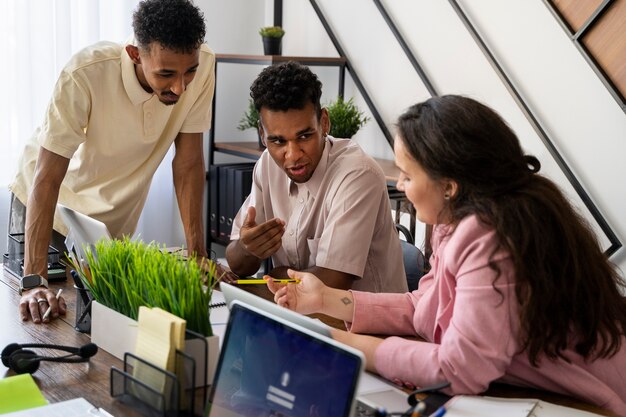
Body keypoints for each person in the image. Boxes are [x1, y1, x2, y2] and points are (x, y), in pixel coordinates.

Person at [268, 95, 626, 415]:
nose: (400, 185)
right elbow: (426, 306)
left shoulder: (490, 239)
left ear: (449, 186)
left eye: (407, 175)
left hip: (581, 403)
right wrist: (328, 300)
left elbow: (458, 369)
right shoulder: (455, 223)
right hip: (527, 389)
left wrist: (342, 344)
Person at [9, 0, 230, 324]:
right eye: (166, 73)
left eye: (189, 72)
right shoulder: (85, 73)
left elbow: (188, 166)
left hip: (103, 226)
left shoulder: (205, 64)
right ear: (134, 54)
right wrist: (34, 281)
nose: (180, 87)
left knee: (99, 324)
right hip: (49, 208)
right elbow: (47, 178)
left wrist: (197, 256)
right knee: (43, 321)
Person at [226, 61, 407, 293]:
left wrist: (276, 274)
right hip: (298, 313)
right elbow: (238, 263)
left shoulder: (358, 174)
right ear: (263, 134)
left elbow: (333, 283)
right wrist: (247, 247)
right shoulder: (267, 165)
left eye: (304, 136)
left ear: (323, 122)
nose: (292, 156)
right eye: (278, 141)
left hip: (365, 326)